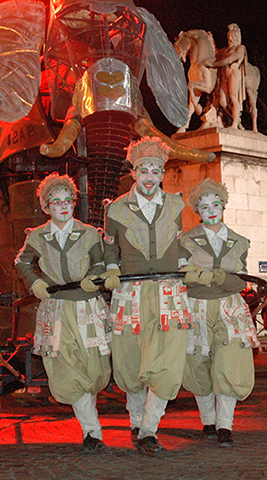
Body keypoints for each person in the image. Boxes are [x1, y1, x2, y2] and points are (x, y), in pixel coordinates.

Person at [101, 136, 191, 456]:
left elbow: (181, 247)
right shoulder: (115, 209)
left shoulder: (177, 205)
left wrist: (188, 269)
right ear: (134, 173)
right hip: (131, 292)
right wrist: (112, 268)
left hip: (169, 292)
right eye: (144, 170)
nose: (150, 177)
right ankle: (136, 423)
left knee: (167, 360)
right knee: (131, 361)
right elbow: (110, 247)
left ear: (162, 174)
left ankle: (150, 428)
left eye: (155, 171)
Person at [15, 173, 111, 452]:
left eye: (68, 200)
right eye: (56, 202)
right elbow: (21, 261)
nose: (63, 206)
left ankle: (89, 423)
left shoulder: (90, 233)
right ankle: (91, 432)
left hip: (88, 307)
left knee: (93, 369)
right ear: (46, 207)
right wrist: (35, 282)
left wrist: (94, 276)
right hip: (56, 310)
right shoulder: (38, 236)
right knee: (67, 369)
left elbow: (101, 261)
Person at [179, 179, 259, 448]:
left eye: (215, 204)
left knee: (230, 364)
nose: (210, 210)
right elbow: (181, 277)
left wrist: (222, 277)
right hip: (196, 307)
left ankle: (225, 425)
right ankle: (208, 421)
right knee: (198, 365)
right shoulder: (186, 240)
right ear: (197, 212)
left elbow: (241, 281)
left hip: (229, 308)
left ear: (223, 206)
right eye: (203, 206)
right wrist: (197, 277)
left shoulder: (240, 241)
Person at [209, 23, 248, 129]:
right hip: (223, 76)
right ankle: (236, 119)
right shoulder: (225, 50)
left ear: (237, 37)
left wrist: (214, 65)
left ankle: (235, 124)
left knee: (234, 98)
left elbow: (230, 60)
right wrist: (211, 40)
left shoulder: (240, 48)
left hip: (233, 73)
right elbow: (216, 53)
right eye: (229, 36)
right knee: (222, 101)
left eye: (232, 36)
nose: (230, 39)